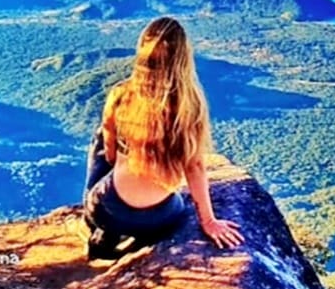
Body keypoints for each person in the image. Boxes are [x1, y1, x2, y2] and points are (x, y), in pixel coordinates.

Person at [83, 16, 244, 259]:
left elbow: (110, 149)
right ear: (183, 59)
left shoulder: (121, 93)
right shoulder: (190, 108)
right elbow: (195, 167)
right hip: (160, 218)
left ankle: (101, 226)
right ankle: (137, 239)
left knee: (102, 137)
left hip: (106, 209)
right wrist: (209, 221)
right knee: (178, 201)